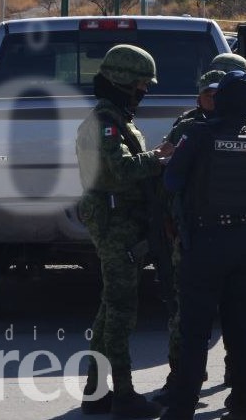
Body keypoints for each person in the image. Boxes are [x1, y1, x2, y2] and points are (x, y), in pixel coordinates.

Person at [157, 54, 246, 405]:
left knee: (195, 330)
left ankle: (182, 407)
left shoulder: (197, 135)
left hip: (207, 242)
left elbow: (172, 181)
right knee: (240, 327)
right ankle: (244, 402)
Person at [75, 44, 173, 418]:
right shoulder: (106, 123)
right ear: (122, 82)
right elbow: (122, 170)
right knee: (120, 312)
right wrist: (161, 159)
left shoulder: (116, 119)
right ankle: (124, 394)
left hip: (121, 224)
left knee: (109, 310)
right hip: (114, 226)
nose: (144, 91)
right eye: (140, 84)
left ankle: (96, 392)